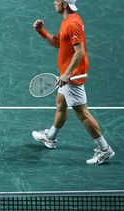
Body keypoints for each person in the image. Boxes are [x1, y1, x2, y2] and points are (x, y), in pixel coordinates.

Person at [31, 0, 115, 165]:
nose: (53, 3)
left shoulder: (73, 24)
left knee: (82, 113)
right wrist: (41, 31)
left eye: (56, 1)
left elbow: (80, 52)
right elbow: (59, 43)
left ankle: (104, 149)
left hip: (72, 75)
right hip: (67, 73)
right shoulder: (67, 21)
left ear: (64, 4)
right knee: (61, 105)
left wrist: (67, 74)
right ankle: (50, 138)